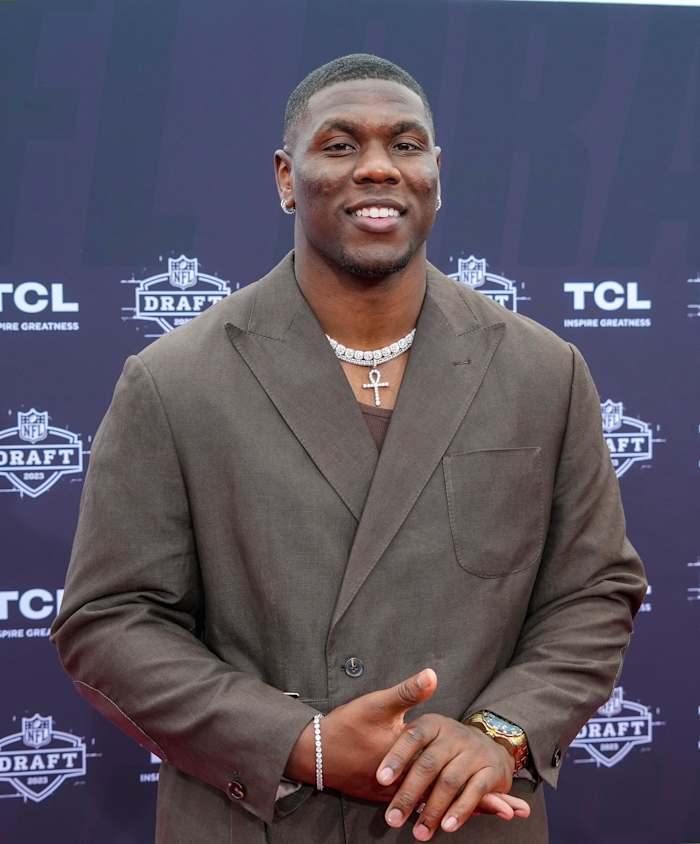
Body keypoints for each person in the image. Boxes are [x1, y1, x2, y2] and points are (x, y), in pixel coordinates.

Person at [51, 54, 647, 844]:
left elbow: (595, 591)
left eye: (406, 144)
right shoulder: (173, 380)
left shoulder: (544, 370)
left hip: (467, 824)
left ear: (436, 172)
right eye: (339, 145)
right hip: (258, 822)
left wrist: (500, 732)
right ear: (286, 179)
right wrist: (303, 744)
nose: (377, 167)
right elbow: (109, 620)